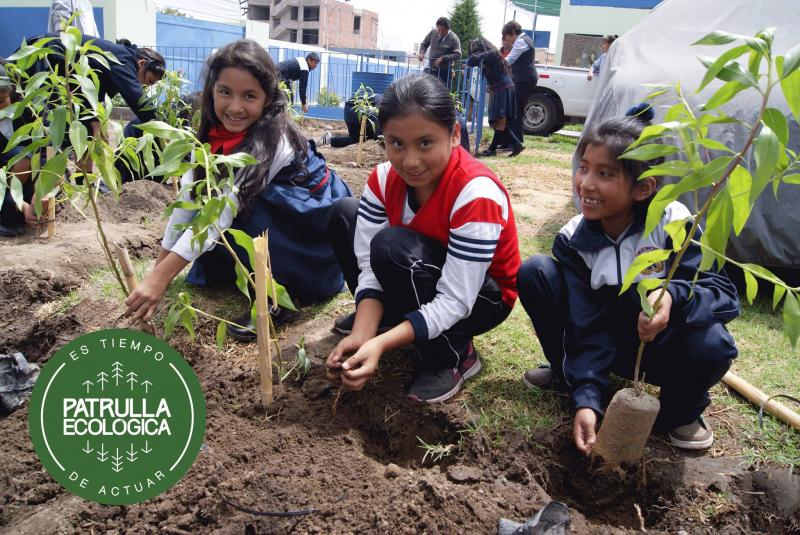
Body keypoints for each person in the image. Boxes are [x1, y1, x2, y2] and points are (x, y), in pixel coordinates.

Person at [516, 115, 740, 453]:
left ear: (643, 188)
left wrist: (671, 296)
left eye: (605, 174)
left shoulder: (674, 223)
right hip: (608, 344)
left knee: (713, 343)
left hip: (663, 348)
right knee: (536, 272)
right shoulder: (574, 240)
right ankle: (572, 379)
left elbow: (723, 294)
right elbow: (586, 323)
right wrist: (588, 398)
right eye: (584, 167)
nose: (586, 184)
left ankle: (680, 411)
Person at [124, 39, 352, 340]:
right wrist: (159, 271)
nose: (234, 107)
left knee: (242, 209)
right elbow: (189, 198)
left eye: (249, 96)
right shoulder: (209, 132)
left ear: (268, 100)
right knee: (214, 205)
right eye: (225, 92)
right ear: (211, 91)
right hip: (269, 213)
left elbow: (221, 211)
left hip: (311, 226)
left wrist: (160, 277)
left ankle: (279, 298)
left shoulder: (274, 140)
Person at [325, 75, 520, 403]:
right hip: (416, 266)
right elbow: (368, 267)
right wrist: (363, 332)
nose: (410, 161)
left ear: (454, 135)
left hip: (482, 297)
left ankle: (453, 355)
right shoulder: (384, 178)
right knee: (344, 213)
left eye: (425, 143)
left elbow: (457, 299)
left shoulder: (476, 193)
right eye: (396, 143)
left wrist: (381, 346)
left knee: (391, 246)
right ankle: (388, 317)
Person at [318, 92, 472, 153]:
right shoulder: (389, 108)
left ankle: (329, 139)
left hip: (353, 106)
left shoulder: (453, 119)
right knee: (366, 136)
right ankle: (330, 139)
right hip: (354, 108)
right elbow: (383, 132)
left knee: (357, 138)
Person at [0, 69, 45, 237]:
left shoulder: (30, 111)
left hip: (33, 178)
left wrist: (39, 194)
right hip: (4, 189)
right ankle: (7, 217)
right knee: (22, 159)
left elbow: (48, 151)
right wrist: (22, 205)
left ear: (11, 93)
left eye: (1, 100)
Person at [467, 37, 524, 158]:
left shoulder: (491, 54)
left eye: (475, 49)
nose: (474, 53)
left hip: (503, 88)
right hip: (501, 88)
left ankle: (494, 148)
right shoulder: (488, 55)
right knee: (498, 121)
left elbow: (472, 60)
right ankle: (515, 144)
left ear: (481, 48)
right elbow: (470, 61)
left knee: (498, 120)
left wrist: (477, 54)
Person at [501, 21, 538, 148]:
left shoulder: (521, 42)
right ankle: (510, 141)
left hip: (524, 79)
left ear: (512, 33)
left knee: (516, 110)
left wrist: (494, 62)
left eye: (507, 37)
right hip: (522, 79)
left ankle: (516, 142)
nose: (507, 41)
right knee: (513, 110)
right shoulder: (524, 40)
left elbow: (509, 60)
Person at [417, 17, 462, 87]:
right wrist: (421, 53)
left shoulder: (454, 38)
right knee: (424, 89)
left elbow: (458, 55)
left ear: (448, 29)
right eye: (439, 30)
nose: (440, 32)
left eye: (443, 30)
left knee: (442, 93)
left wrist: (443, 58)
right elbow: (424, 44)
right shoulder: (433, 32)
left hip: (445, 72)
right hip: (430, 68)